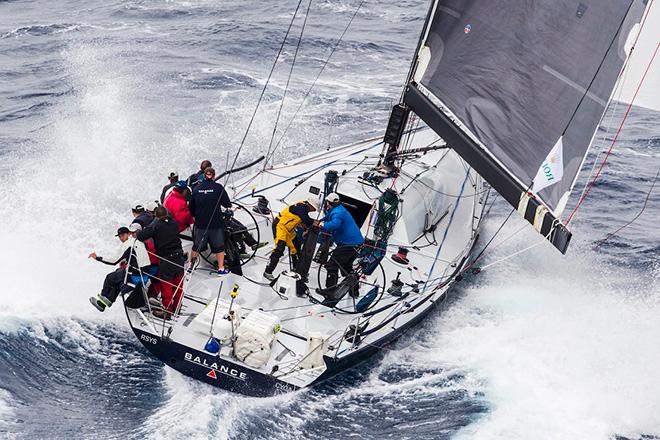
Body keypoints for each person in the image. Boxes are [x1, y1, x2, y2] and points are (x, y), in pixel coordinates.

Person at [136, 206, 186, 319]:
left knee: (166, 287)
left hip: (167, 259)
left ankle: (167, 312)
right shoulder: (174, 222)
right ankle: (177, 309)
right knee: (178, 286)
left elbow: (141, 236)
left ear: (156, 216)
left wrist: (151, 224)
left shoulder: (156, 225)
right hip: (179, 258)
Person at [88, 226, 151, 312]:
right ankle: (105, 302)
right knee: (118, 277)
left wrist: (97, 258)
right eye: (119, 236)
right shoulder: (138, 241)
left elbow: (114, 261)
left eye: (122, 235)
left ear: (129, 234)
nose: (121, 238)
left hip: (136, 274)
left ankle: (103, 300)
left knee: (110, 278)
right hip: (146, 272)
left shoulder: (127, 244)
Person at [189, 167, 233, 275]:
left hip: (200, 224)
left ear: (204, 175)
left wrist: (196, 215)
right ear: (213, 176)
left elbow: (191, 208)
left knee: (196, 245)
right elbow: (227, 204)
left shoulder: (196, 189)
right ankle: (221, 268)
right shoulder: (218, 188)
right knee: (219, 246)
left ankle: (191, 266)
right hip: (216, 223)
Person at [318, 193, 364, 296]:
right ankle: (354, 291)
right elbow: (328, 217)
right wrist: (320, 221)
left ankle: (330, 291)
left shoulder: (338, 212)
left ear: (328, 203)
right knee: (346, 267)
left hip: (348, 244)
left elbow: (335, 224)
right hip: (356, 243)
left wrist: (322, 225)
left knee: (331, 265)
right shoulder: (338, 209)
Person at [263, 196, 319, 281]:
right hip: (280, 226)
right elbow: (305, 219)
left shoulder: (303, 207)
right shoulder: (301, 207)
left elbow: (301, 220)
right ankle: (268, 271)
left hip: (289, 229)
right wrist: (314, 222)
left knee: (296, 246)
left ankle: (296, 269)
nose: (313, 211)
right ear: (311, 205)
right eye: (314, 209)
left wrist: (305, 229)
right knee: (279, 249)